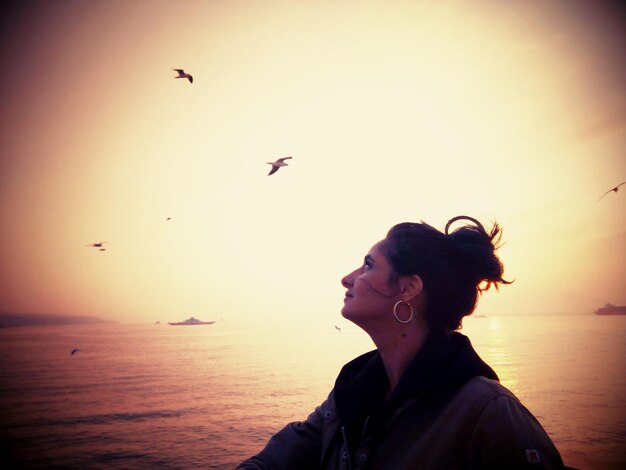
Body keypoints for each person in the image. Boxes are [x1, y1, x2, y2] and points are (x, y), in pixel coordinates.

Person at [237, 216, 565, 469]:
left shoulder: (488, 412)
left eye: (368, 265)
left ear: (408, 289)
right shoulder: (351, 392)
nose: (347, 278)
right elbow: (286, 455)